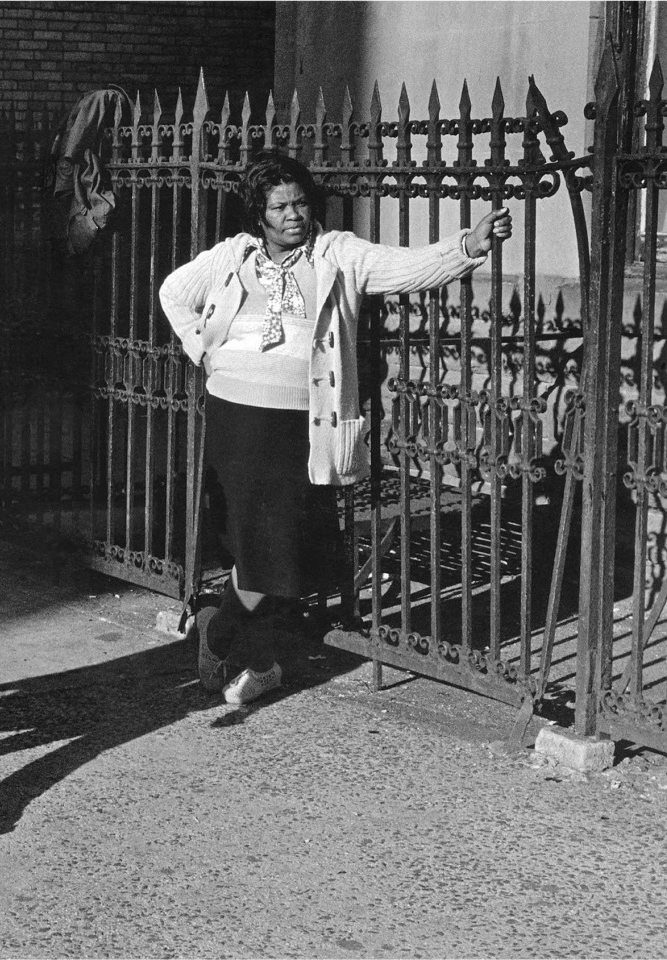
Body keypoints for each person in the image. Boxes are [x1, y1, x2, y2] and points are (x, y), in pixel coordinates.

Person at [159, 153, 511, 705]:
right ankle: (261, 661)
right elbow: (173, 292)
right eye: (280, 206)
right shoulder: (234, 256)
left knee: (286, 549)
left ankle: (218, 631)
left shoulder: (337, 254)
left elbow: (404, 266)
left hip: (300, 423)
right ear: (260, 214)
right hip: (233, 414)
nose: (294, 214)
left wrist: (465, 248)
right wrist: (203, 348)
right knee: (251, 547)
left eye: (300, 202)